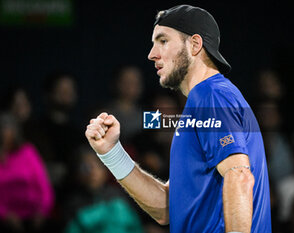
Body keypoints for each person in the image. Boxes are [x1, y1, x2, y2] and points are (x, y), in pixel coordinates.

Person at [85, 5, 271, 233]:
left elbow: (239, 176)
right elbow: (167, 208)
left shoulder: (211, 95)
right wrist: (112, 153)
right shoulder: (200, 104)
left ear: (194, 45)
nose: (152, 54)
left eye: (162, 41)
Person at [0, 113, 55, 233]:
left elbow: (43, 185)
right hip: (6, 218)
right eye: (2, 128)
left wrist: (42, 211)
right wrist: (5, 215)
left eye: (8, 127)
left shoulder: (27, 151)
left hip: (35, 215)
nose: (5, 132)